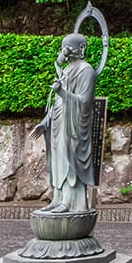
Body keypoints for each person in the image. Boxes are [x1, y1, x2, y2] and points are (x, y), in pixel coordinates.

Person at [39, 32, 97, 211]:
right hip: (58, 122)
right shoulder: (65, 70)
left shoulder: (86, 70)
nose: (66, 52)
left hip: (74, 126)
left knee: (69, 159)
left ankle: (70, 202)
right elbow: (57, 103)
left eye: (69, 48)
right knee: (57, 160)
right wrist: (45, 120)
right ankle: (58, 198)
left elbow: (85, 101)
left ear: (82, 48)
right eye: (64, 48)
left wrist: (62, 93)